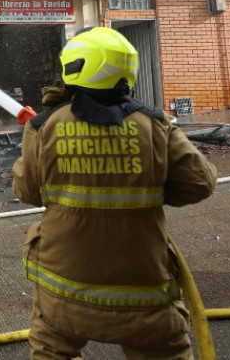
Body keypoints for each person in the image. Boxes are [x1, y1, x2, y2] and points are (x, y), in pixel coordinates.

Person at [13, 26, 217, 360]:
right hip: (145, 297)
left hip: (62, 292)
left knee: (51, 350)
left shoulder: (43, 127)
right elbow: (200, 183)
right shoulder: (155, 124)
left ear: (76, 67)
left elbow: (27, 191)